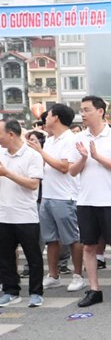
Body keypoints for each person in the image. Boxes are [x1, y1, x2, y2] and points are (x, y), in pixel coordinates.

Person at [68, 96, 111, 308]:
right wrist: (84, 158)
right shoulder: (78, 138)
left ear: (100, 111)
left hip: (110, 200)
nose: (83, 114)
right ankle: (94, 289)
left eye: (87, 110)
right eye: (81, 110)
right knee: (89, 247)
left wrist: (98, 157)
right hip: (86, 200)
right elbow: (72, 171)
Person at [29, 103, 85, 293]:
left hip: (65, 196)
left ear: (57, 118)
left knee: (73, 238)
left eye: (49, 115)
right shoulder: (50, 140)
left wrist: (40, 152)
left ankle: (78, 276)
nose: (45, 118)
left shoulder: (70, 139)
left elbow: (64, 167)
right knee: (50, 238)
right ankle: (53, 275)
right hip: (48, 195)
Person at [0, 118, 44, 308]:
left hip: (26, 215)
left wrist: (7, 173)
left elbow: (33, 184)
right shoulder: (1, 153)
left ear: (11, 134)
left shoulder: (32, 155)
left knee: (33, 257)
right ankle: (10, 291)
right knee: (5, 257)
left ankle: (36, 293)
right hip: (3, 214)